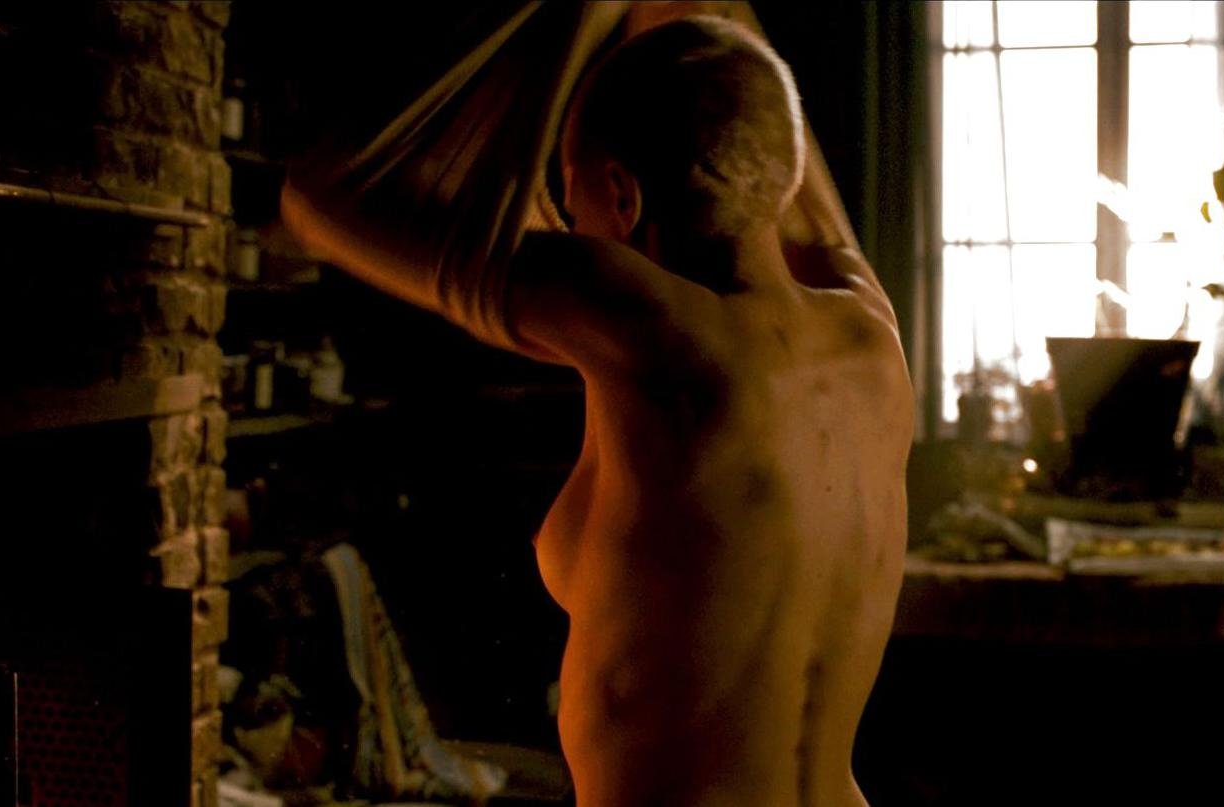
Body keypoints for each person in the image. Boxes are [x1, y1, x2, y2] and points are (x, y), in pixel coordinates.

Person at [281, 14, 913, 807]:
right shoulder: (871, 336)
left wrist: (579, 19)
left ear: (620, 193)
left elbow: (321, 201)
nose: (559, 218)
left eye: (566, 192)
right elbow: (747, 82)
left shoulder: (648, 328)